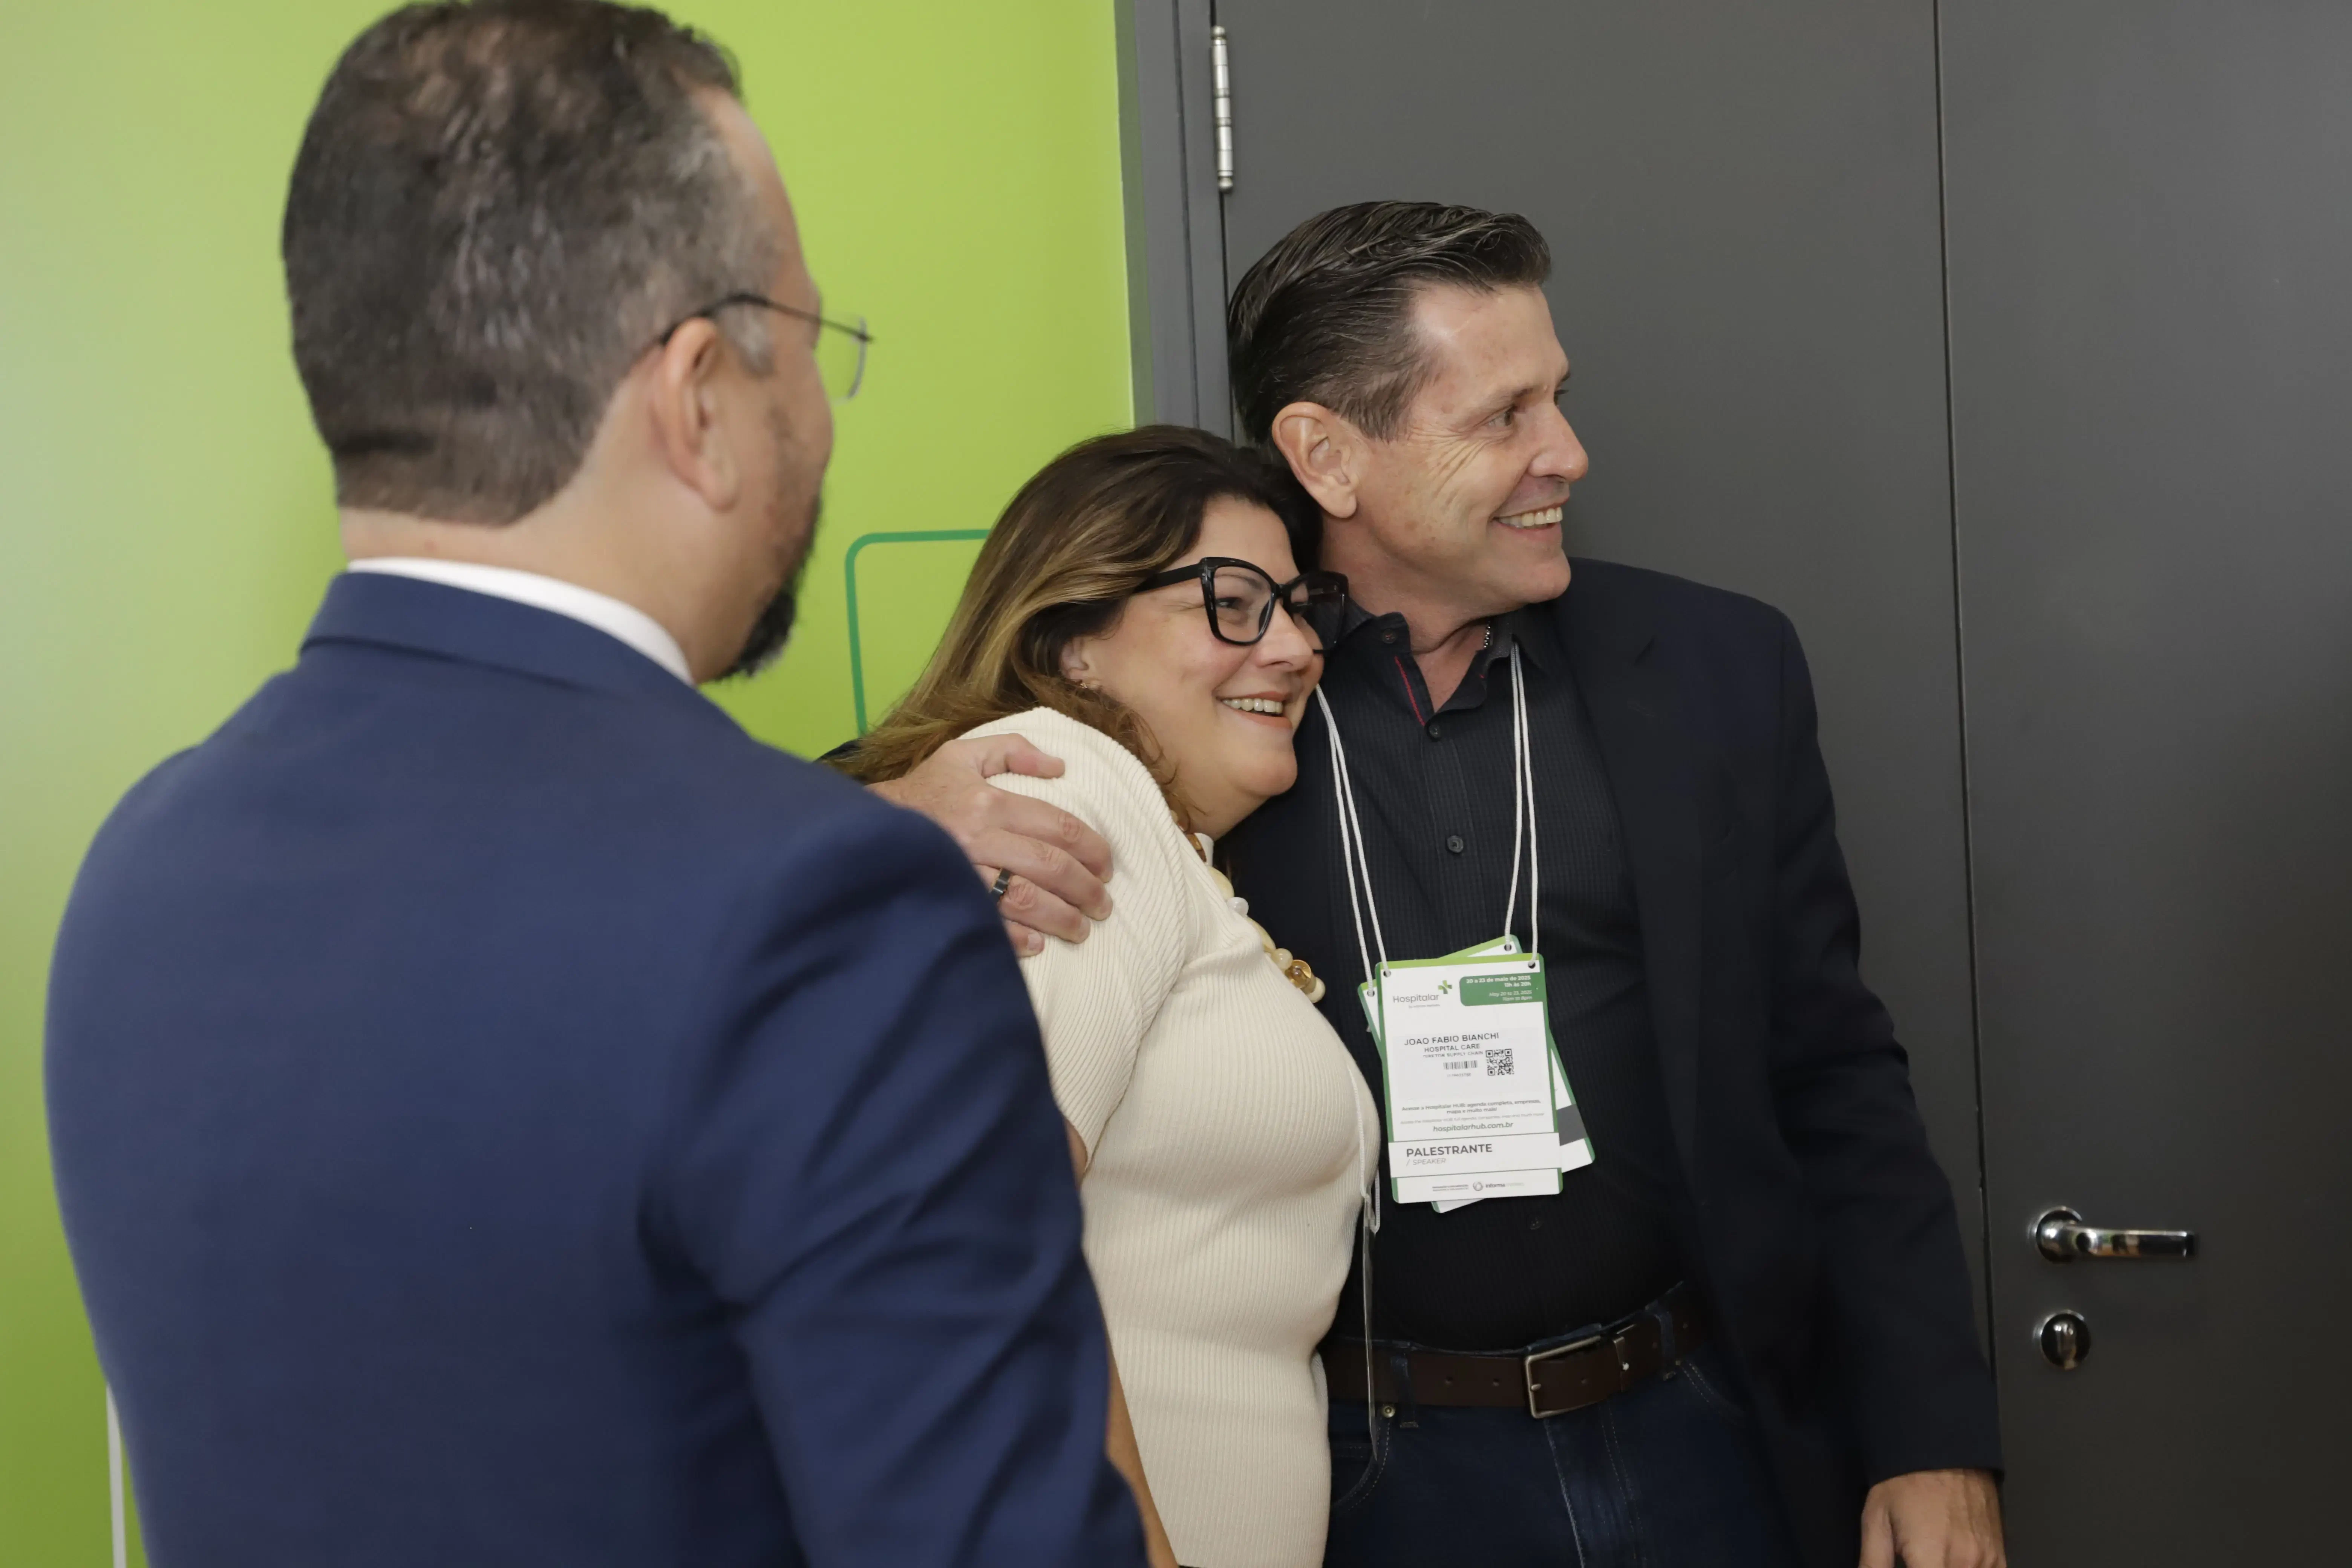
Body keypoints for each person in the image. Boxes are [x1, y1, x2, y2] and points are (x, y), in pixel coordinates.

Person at [43, 5, 1145, 1565]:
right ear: (697, 395)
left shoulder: (143, 865)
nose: (817, 412)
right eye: (807, 343)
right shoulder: (831, 906)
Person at [890, 203, 2007, 1568]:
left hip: (1700, 1427)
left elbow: (1835, 1075)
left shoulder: (1718, 670)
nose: (1567, 451)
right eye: (1503, 415)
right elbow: (954, 787)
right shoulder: (1217, 699)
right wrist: (882, 816)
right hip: (1366, 1472)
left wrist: (1929, 1429)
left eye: (1559, 397)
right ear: (1327, 456)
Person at [836, 426, 1380, 1568]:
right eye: (1233, 604)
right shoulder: (1068, 784)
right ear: (1074, 641)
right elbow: (983, 1223)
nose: (1293, 648)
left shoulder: (1175, 853)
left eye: (1297, 608)